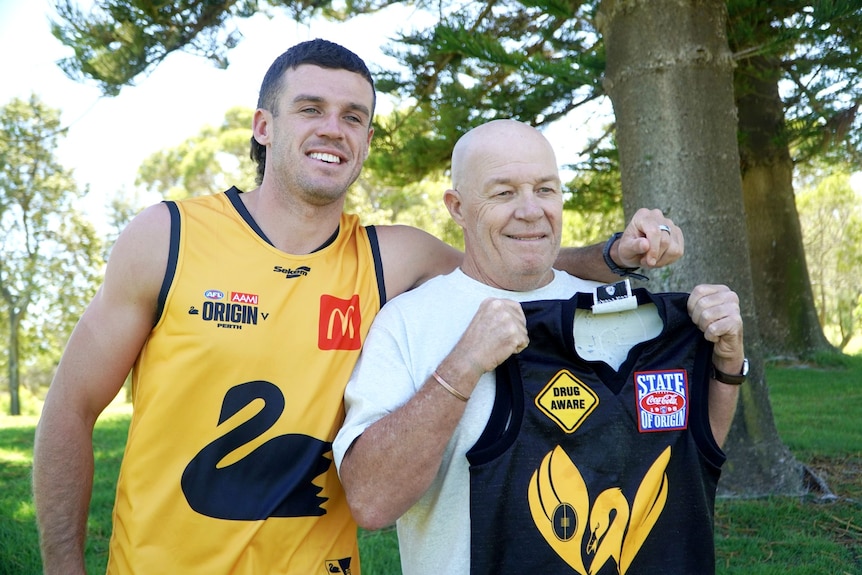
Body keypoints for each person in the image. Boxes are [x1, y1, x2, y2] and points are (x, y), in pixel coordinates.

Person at [32, 40, 682, 575]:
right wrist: (64, 566)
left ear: (367, 140)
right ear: (264, 125)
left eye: (354, 116)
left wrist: (617, 253)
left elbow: (513, 256)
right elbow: (71, 408)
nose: (333, 129)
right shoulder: (167, 237)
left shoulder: (389, 257)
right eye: (310, 108)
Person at [334, 119, 744, 574]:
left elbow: (683, 451)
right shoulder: (408, 322)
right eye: (503, 192)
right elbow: (370, 503)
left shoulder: (611, 307)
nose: (530, 211)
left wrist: (727, 363)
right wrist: (461, 368)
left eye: (545, 190)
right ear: (457, 206)